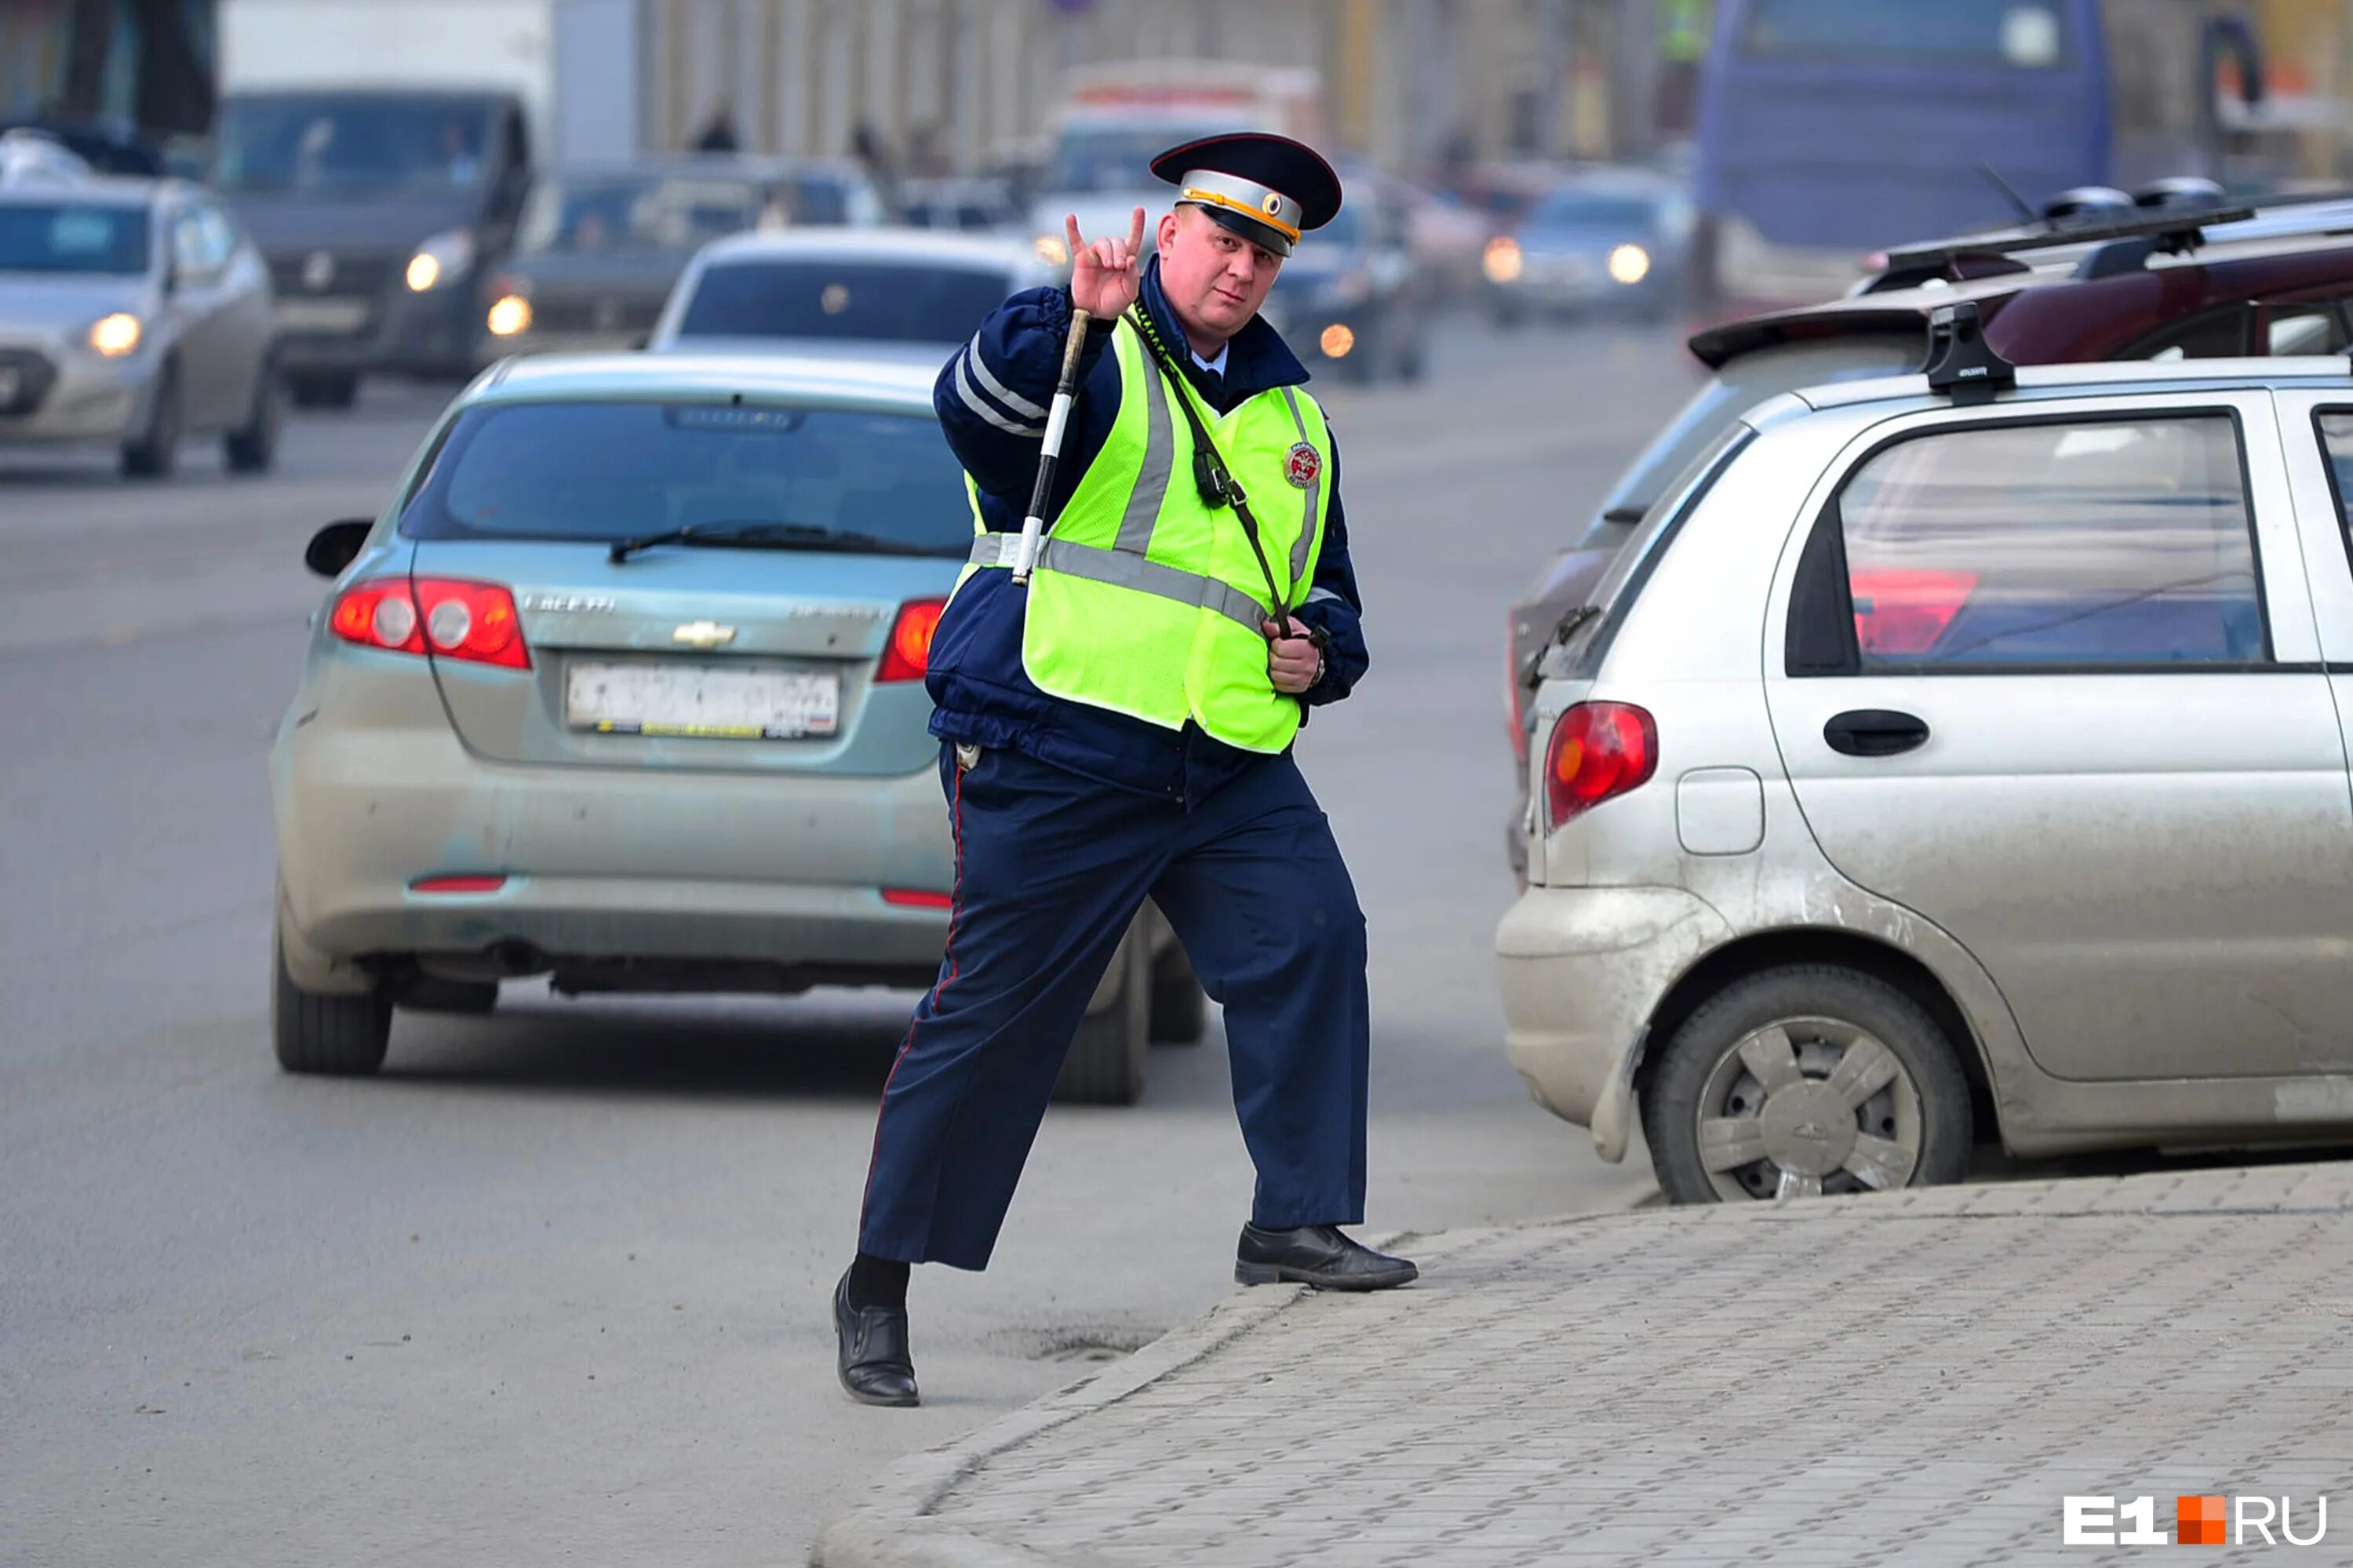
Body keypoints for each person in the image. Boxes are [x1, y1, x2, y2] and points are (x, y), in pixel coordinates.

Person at [834, 133, 1417, 1410]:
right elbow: (974, 414)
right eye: (1222, 238)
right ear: (1170, 237)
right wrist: (1068, 324)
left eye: (1267, 252)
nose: (1241, 266)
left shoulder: (1293, 416)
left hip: (1222, 766)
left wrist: (1325, 652)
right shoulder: (1088, 358)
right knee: (996, 1020)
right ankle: (878, 1285)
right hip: (1060, 743)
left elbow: (1329, 590)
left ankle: (1296, 1224)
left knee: (1315, 935)